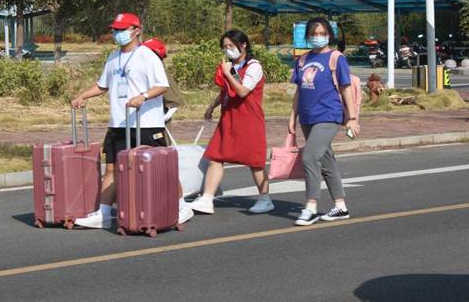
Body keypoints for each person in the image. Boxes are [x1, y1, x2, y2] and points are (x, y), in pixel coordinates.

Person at [71, 13, 193, 228]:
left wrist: (143, 97)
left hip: (146, 123)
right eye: (115, 30)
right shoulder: (112, 57)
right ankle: (105, 213)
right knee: (112, 169)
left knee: (161, 167)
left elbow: (161, 85)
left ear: (136, 30)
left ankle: (183, 206)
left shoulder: (147, 55)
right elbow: (103, 85)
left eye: (122, 29)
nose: (117, 34)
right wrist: (82, 96)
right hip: (118, 123)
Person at [187, 29, 272, 215]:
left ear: (244, 45)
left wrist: (228, 73)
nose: (228, 50)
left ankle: (265, 199)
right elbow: (225, 91)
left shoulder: (254, 66)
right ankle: (207, 199)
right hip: (229, 118)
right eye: (225, 47)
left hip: (248, 119)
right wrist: (212, 106)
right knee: (216, 157)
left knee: (254, 161)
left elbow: (242, 91)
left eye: (231, 46)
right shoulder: (231, 66)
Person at [288, 18, 360, 226]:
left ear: (329, 35)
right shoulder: (302, 60)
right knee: (326, 161)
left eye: (321, 33)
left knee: (310, 157)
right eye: (313, 34)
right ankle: (341, 206)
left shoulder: (336, 58)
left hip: (329, 115)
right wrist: (292, 117)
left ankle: (310, 207)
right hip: (308, 116)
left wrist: (352, 119)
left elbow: (346, 88)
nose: (317, 37)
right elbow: (299, 90)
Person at [142, 38, 186, 143]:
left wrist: (160, 119)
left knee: (159, 156)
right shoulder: (142, 72)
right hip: (142, 126)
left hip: (157, 130)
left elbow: (175, 102)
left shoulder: (162, 75)